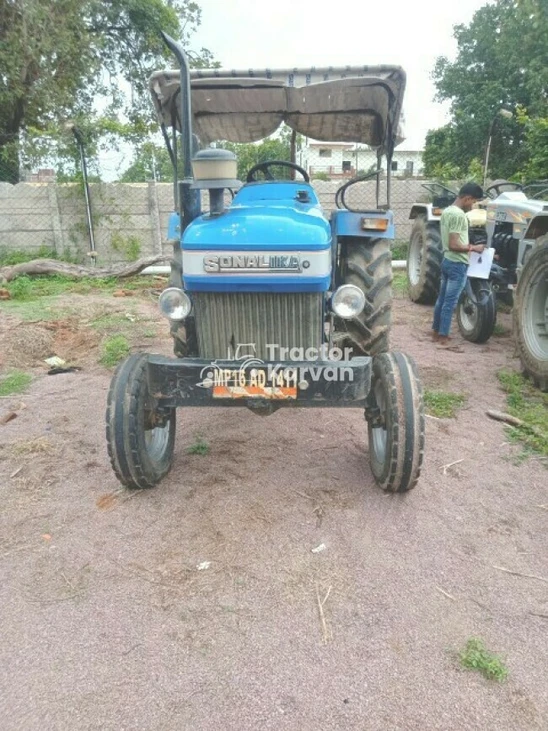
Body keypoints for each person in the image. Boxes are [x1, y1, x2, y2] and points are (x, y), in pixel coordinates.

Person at [432, 182, 485, 346]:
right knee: (450, 302)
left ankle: (435, 330)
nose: (473, 205)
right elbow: (454, 244)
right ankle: (443, 336)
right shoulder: (459, 215)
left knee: (441, 299)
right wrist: (474, 248)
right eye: (474, 201)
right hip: (457, 264)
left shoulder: (447, 211)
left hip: (447, 260)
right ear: (467, 198)